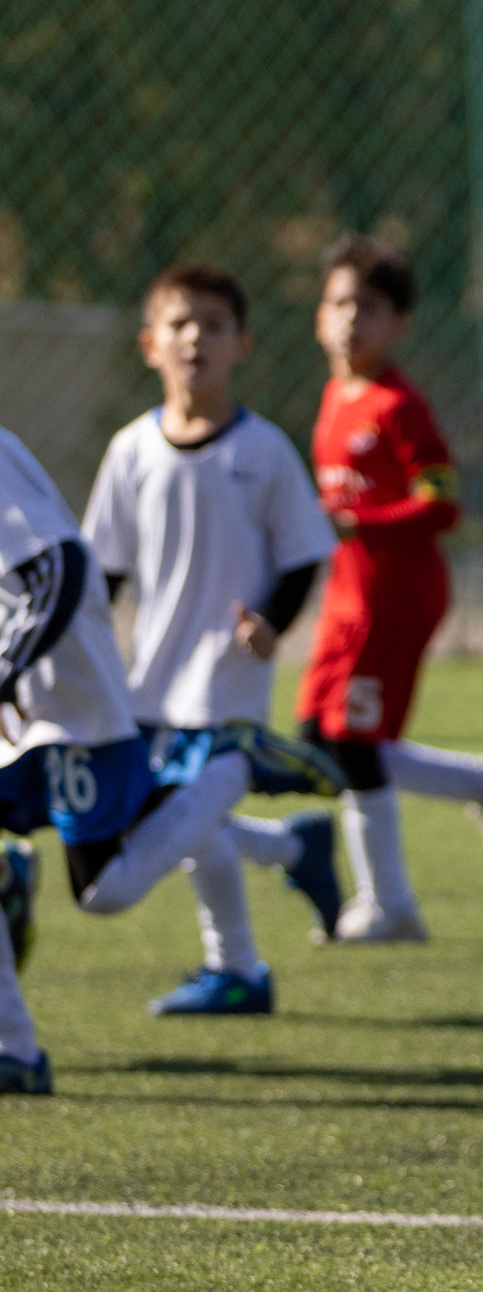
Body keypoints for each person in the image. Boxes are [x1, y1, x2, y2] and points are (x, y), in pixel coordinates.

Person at [1, 427, 344, 1090]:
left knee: (105, 890)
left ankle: (232, 762)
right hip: (27, 695)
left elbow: (57, 572)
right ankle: (14, 1047)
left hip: (65, 696)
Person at [83, 265, 346, 1014]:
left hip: (227, 682)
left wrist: (272, 624)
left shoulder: (262, 451)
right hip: (151, 683)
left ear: (243, 345)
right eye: (179, 323)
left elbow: (303, 554)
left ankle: (237, 966)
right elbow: (102, 574)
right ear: (149, 345)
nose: (196, 337)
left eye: (215, 324)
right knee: (185, 823)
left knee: (174, 826)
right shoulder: (132, 450)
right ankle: (293, 851)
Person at [294, 234, 483, 943]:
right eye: (337, 303)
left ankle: (391, 906)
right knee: (317, 741)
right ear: (317, 315)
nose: (348, 320)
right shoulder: (337, 395)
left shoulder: (400, 407)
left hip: (394, 595)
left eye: (367, 307)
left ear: (400, 324)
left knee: (355, 742)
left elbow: (442, 505)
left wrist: (354, 520)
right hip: (348, 597)